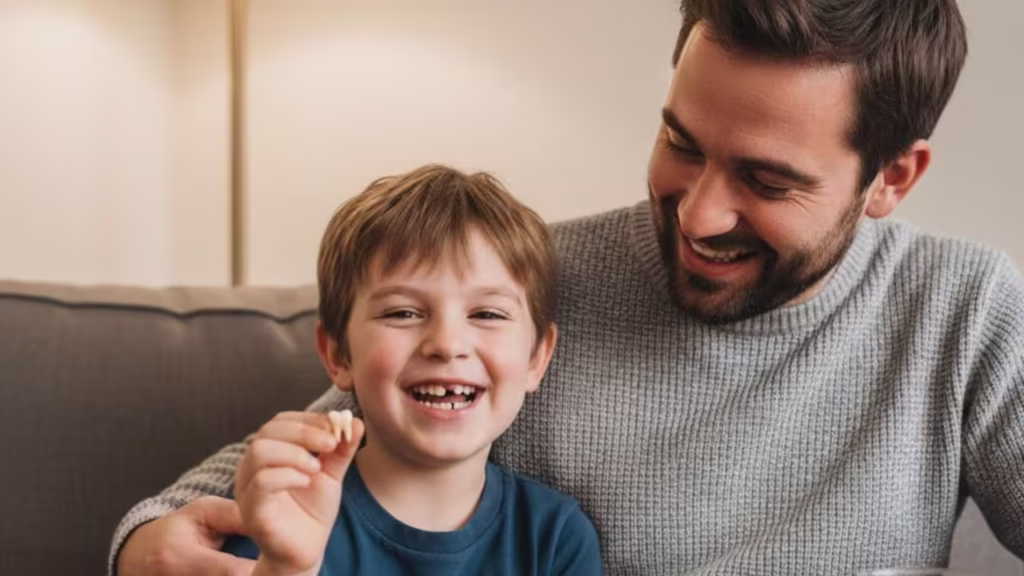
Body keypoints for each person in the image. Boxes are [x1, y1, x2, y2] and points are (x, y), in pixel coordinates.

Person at [111, 1, 1024, 574]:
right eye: (681, 144)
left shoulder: (964, 310)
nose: (699, 214)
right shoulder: (527, 287)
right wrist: (148, 543)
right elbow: (284, 468)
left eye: (766, 180)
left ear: (892, 178)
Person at [217, 164, 602, 575]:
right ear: (338, 355)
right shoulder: (280, 513)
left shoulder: (555, 538)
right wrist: (287, 568)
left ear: (537, 357)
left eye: (487, 314)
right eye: (402, 313)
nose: (447, 344)